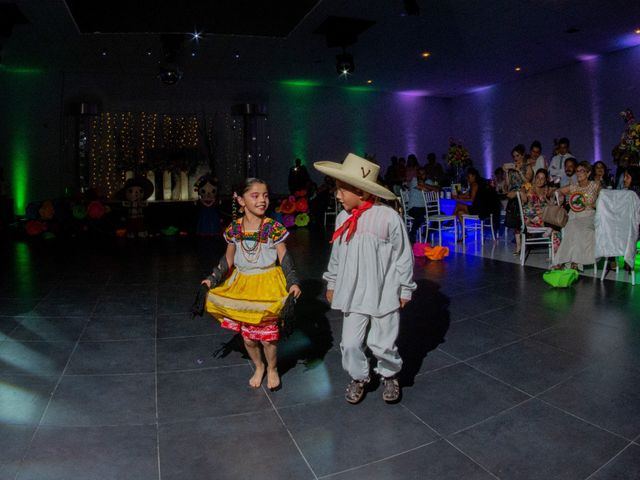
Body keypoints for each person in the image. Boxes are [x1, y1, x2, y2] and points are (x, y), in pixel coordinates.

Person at [314, 153, 416, 404]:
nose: (337, 195)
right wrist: (333, 282)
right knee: (349, 343)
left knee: (382, 343)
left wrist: (405, 288)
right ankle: (360, 376)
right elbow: (337, 255)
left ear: (361, 191)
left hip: (384, 290)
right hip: (353, 291)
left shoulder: (388, 217)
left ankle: (389, 374)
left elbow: (403, 255)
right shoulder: (342, 218)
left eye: (341, 189)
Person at [202, 178, 302, 390]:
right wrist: (213, 278)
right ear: (240, 200)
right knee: (248, 339)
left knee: (267, 338)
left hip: (267, 285)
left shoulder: (272, 227)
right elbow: (228, 259)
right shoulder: (234, 229)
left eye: (265, 195)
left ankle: (273, 368)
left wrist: (292, 281)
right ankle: (259, 367)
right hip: (243, 286)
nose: (262, 200)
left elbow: (284, 256)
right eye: (255, 196)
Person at [551, 161, 601, 271]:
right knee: (571, 228)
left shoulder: (595, 185)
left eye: (582, 171)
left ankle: (576, 262)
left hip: (589, 214)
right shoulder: (573, 187)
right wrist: (560, 197)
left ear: (588, 173)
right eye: (577, 171)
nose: (578, 174)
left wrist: (593, 204)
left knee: (580, 229)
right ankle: (562, 261)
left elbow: (603, 199)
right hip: (574, 214)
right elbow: (557, 191)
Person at [452, 167, 498, 239]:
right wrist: (457, 196)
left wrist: (459, 199)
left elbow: (471, 200)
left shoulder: (474, 185)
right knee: (459, 213)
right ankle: (464, 233)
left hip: (479, 210)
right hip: (484, 209)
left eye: (468, 177)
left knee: (458, 205)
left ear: (474, 176)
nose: (467, 178)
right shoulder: (476, 184)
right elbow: (466, 195)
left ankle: (451, 220)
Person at [505, 144, 534, 255]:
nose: (515, 158)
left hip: (523, 195)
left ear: (522, 156)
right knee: (515, 224)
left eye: (517, 155)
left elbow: (527, 181)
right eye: (514, 156)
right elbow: (508, 185)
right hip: (513, 195)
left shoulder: (527, 167)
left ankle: (525, 244)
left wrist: (519, 171)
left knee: (523, 222)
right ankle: (518, 247)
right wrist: (507, 172)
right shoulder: (512, 169)